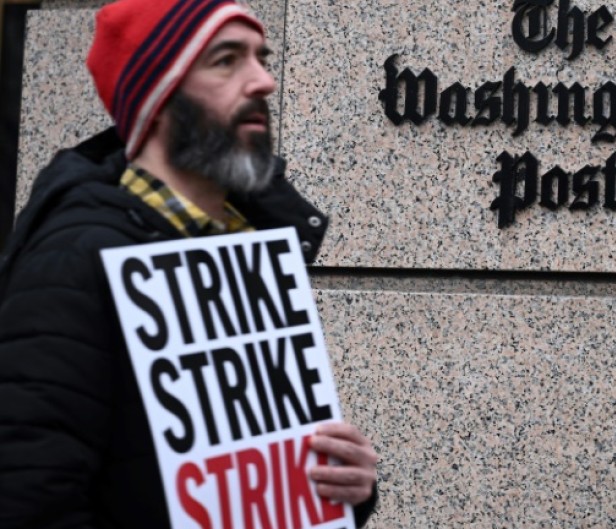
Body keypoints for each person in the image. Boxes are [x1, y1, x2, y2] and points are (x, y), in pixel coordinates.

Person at [0, 1, 378, 527]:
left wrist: (345, 489)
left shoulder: (249, 247)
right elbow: (29, 497)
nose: (264, 81)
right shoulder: (74, 261)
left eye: (260, 58)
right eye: (227, 60)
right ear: (158, 94)